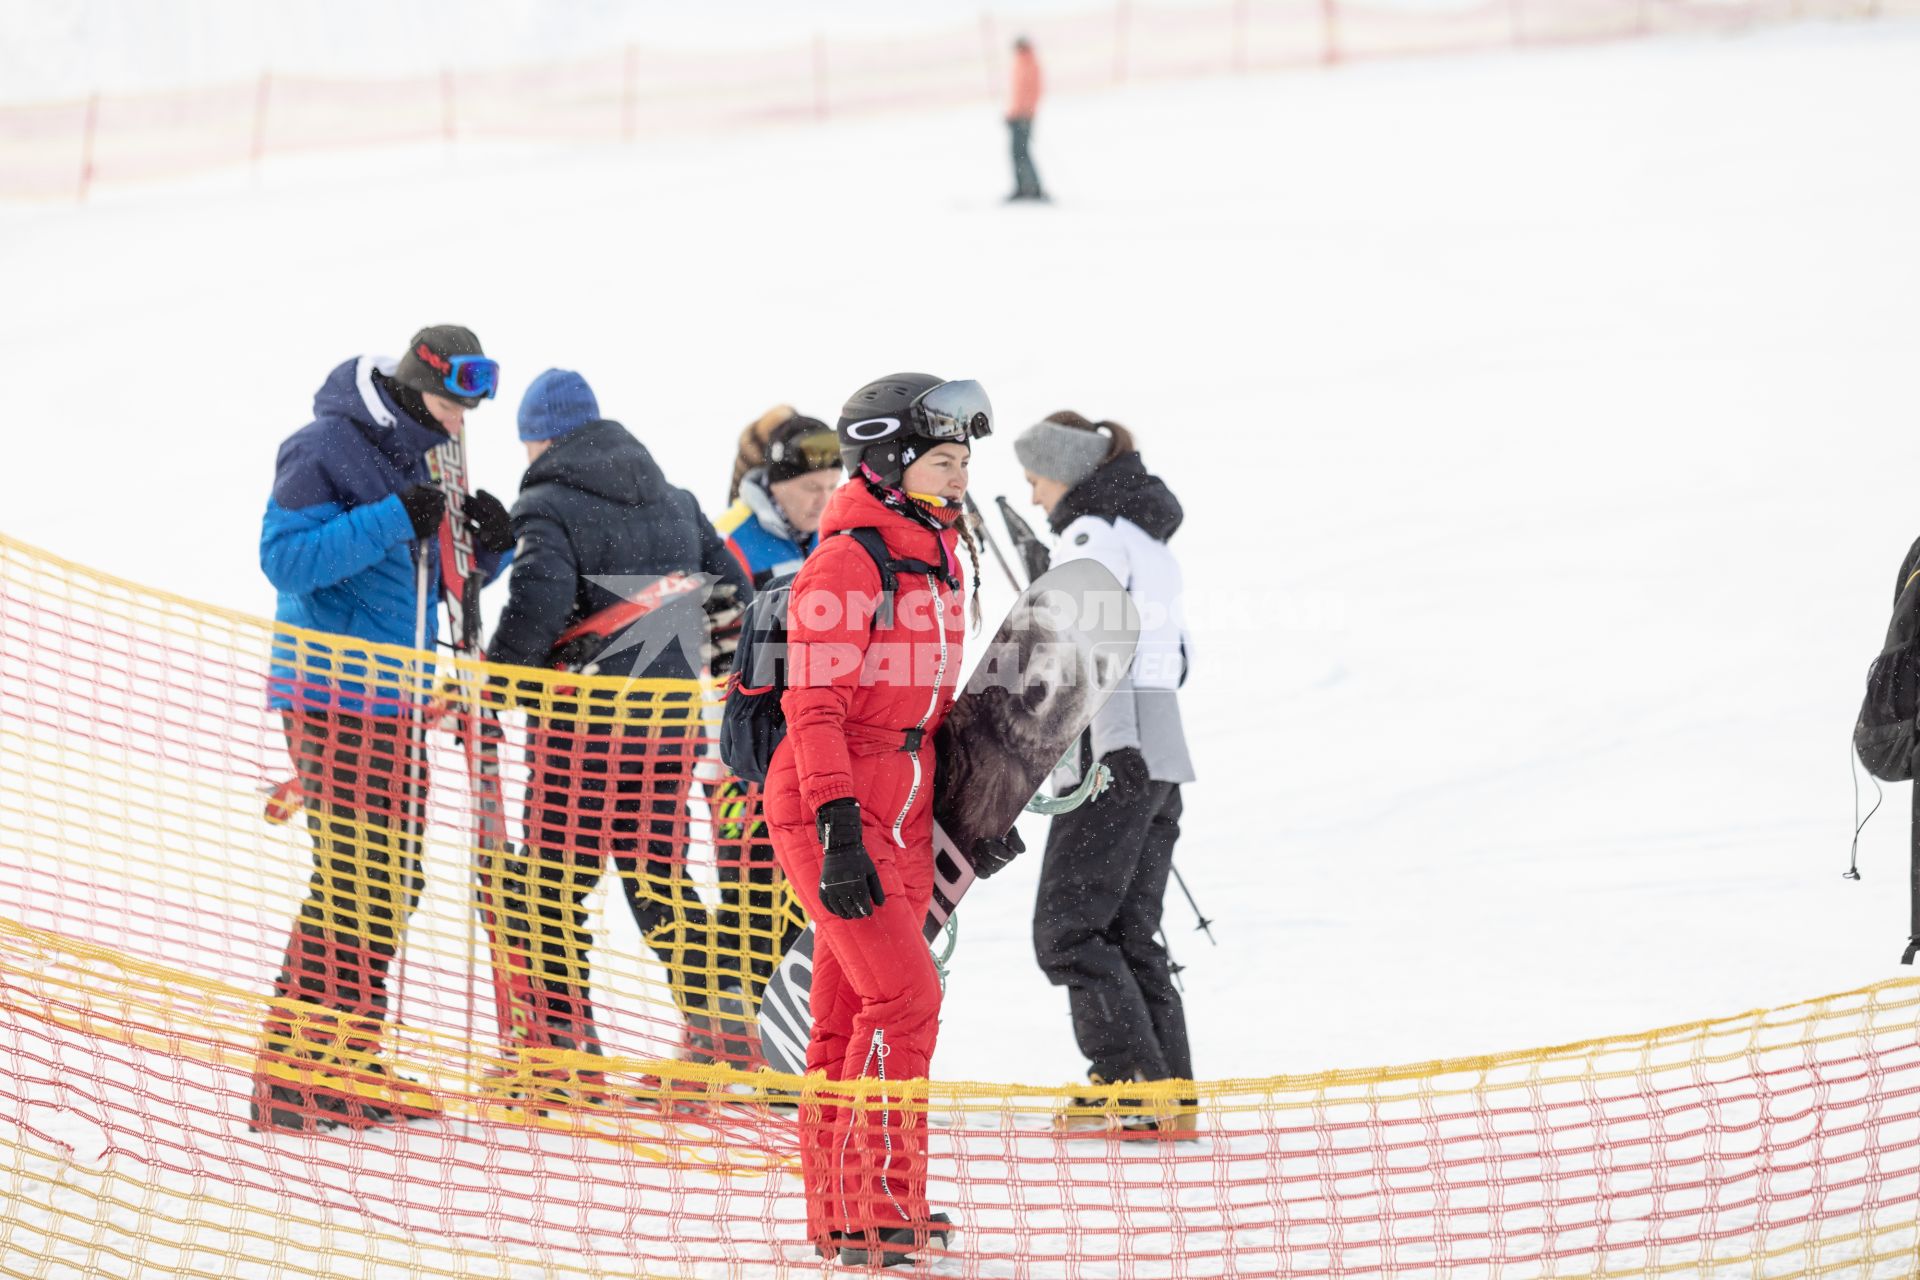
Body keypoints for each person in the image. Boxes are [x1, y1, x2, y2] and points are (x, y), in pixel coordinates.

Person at [766, 373, 1014, 1266]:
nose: (959, 477)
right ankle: (875, 1206)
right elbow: (815, 709)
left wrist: (979, 805)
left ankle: (858, 1211)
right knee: (906, 999)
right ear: (890, 461)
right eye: (944, 461)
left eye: (963, 462)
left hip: (905, 806)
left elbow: (927, 711)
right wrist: (836, 827)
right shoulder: (849, 562)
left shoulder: (939, 553)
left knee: (846, 1022)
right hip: (832, 803)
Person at [252, 325, 513, 1132]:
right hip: (331, 694)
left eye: (467, 411)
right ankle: (296, 1076)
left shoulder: (430, 450)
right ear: (410, 386)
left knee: (392, 881)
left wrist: (490, 551)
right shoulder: (324, 445)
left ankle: (345, 1060)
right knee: (357, 879)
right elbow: (284, 559)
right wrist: (393, 516)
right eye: (446, 404)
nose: (459, 422)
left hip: (395, 698)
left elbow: (435, 569)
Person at [481, 369, 756, 1073]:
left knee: (550, 888)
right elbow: (734, 589)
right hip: (668, 728)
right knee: (659, 877)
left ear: (537, 440)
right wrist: (709, 669)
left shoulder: (547, 504)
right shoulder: (674, 499)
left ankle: (564, 1049)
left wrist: (498, 679)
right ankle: (724, 1028)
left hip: (583, 730)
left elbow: (535, 605)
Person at [1013, 410, 1197, 1133]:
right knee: (1127, 927)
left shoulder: (1088, 536)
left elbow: (1085, 649)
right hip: (1161, 753)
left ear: (1061, 470)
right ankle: (1168, 1090)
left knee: (1068, 929)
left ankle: (1127, 1083)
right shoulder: (1146, 540)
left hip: (1106, 749)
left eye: (1033, 480)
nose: (1032, 498)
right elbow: (1174, 655)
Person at [711, 413, 844, 1004]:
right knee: (752, 889)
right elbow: (707, 643)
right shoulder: (731, 538)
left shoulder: (838, 533)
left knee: (815, 889)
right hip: (750, 750)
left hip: (816, 743)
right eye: (809, 490)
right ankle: (741, 1029)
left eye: (831, 487)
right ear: (774, 482)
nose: (822, 501)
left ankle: (807, 1028)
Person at [716, 413, 843, 588]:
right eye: (812, 488)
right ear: (776, 485)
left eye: (832, 486)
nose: (824, 501)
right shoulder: (726, 540)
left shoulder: (844, 531)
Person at [1006, 37, 1047, 202]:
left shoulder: (1029, 64)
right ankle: (1022, 187)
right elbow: (1016, 94)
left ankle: (1033, 188)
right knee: (1017, 153)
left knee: (1022, 152)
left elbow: (1031, 92)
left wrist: (1025, 113)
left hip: (1024, 117)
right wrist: (1011, 113)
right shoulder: (1020, 63)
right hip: (1017, 116)